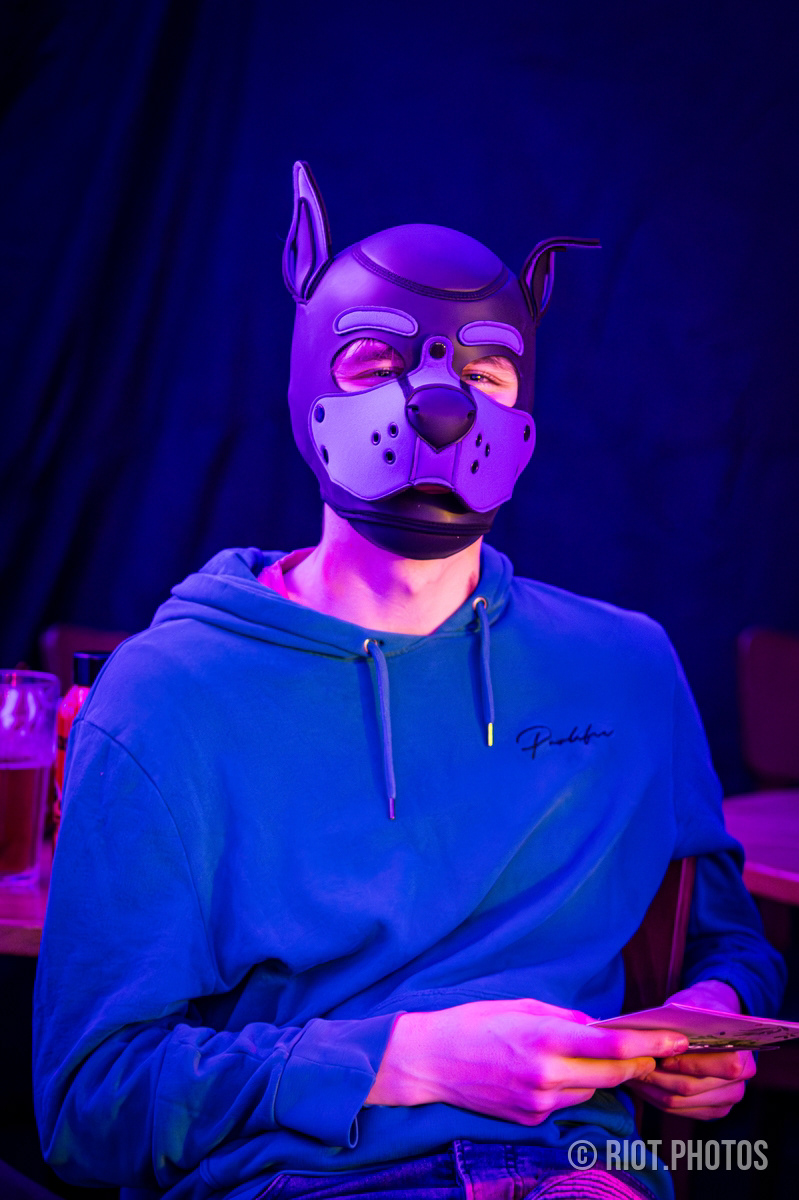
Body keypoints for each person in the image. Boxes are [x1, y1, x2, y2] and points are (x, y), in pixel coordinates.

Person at [33, 162, 784, 1200]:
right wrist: (405, 1059)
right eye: (375, 360)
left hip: (578, 1172)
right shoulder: (167, 696)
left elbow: (726, 940)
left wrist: (707, 1023)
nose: (435, 406)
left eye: (485, 373)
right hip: (304, 1181)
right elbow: (91, 1104)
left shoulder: (627, 669)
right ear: (308, 379)